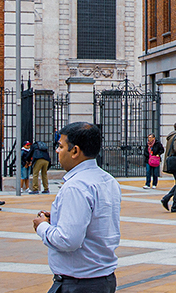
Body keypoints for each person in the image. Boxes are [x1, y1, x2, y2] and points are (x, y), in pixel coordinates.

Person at [33, 121, 121, 293]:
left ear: (75, 151)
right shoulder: (108, 180)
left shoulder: (76, 186)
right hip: (103, 278)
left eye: (60, 146)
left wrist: (42, 226)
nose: (57, 151)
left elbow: (69, 240)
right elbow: (95, 221)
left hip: (79, 283)